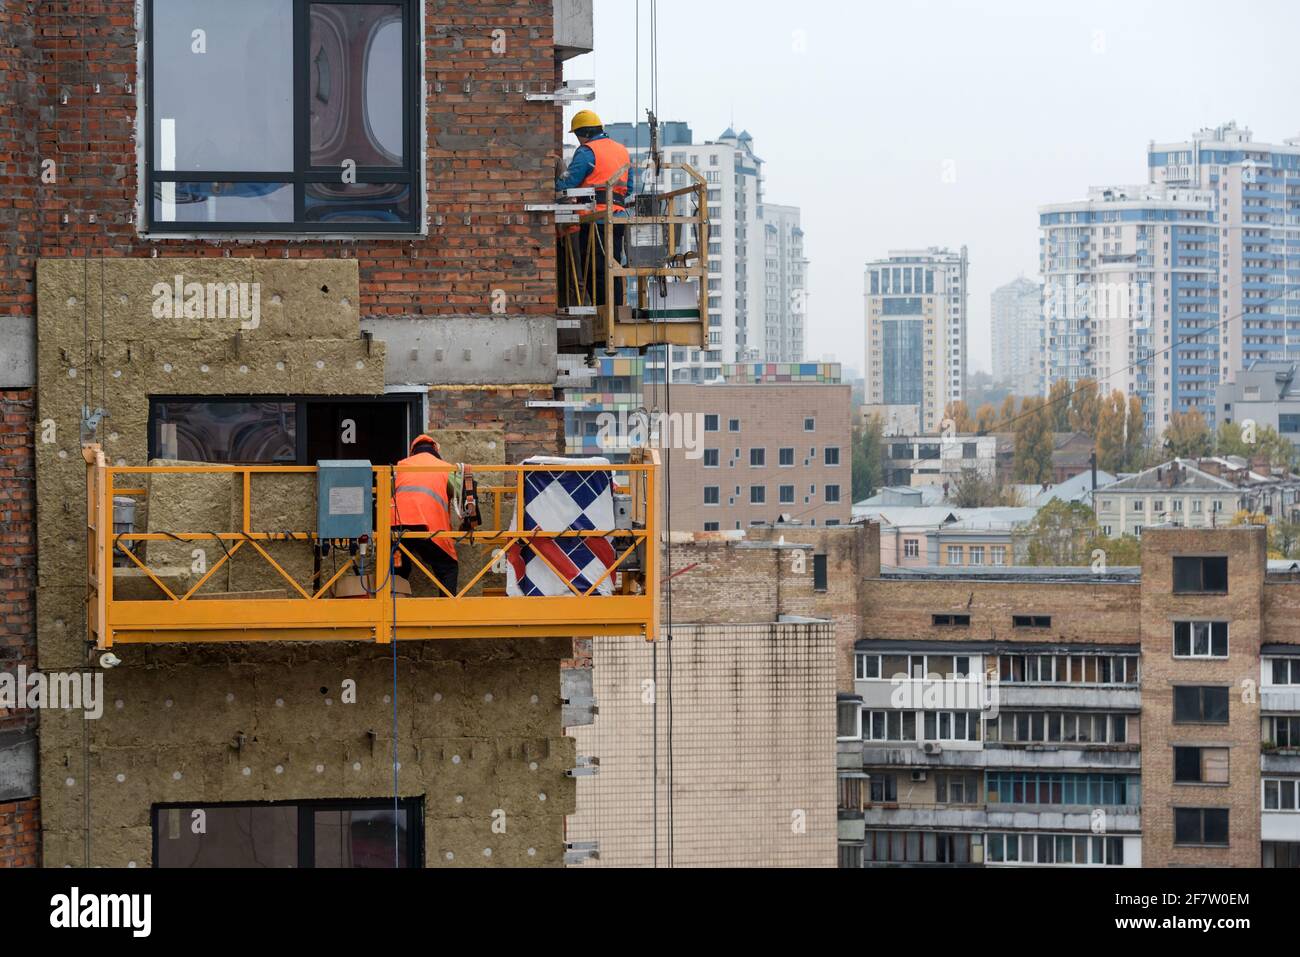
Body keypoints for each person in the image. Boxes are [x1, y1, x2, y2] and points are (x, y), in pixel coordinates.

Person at [556, 110, 635, 307]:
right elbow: (629, 187)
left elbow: (567, 183)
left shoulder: (587, 151)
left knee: (594, 270)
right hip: (617, 218)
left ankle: (603, 314)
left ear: (583, 133)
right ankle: (615, 311)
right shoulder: (621, 151)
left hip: (595, 219)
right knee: (613, 266)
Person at [391, 434, 460, 594]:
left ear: (412, 451)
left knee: (399, 566)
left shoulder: (401, 466)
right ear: (435, 450)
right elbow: (461, 493)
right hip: (429, 527)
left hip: (397, 528)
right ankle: (445, 611)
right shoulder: (445, 467)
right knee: (448, 568)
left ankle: (394, 609)